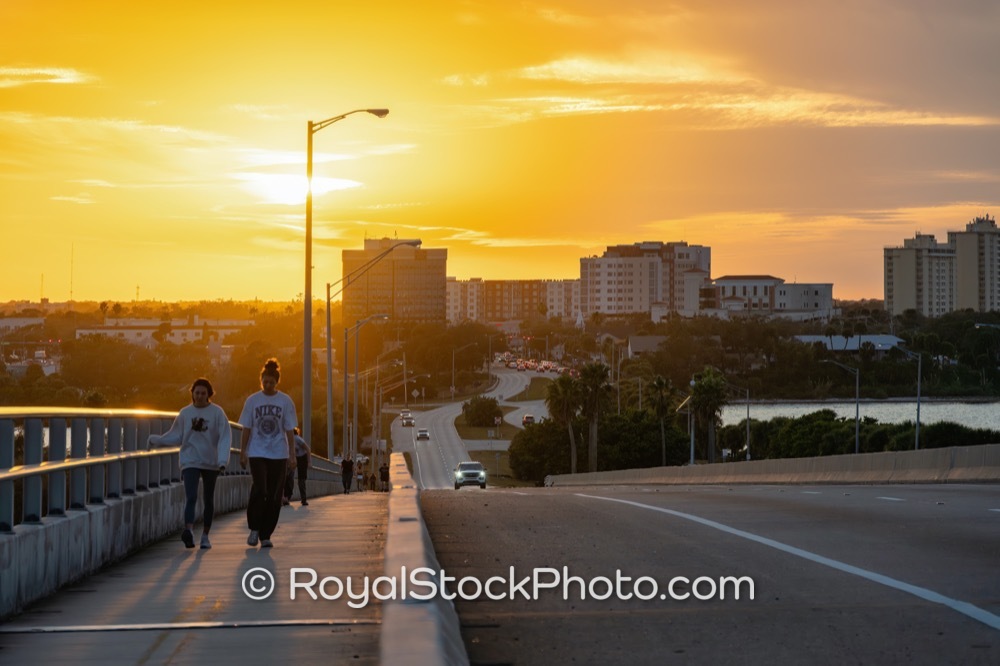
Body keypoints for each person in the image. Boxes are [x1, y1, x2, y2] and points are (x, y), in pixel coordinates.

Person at [148, 377, 231, 550]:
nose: (200, 396)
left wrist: (222, 460)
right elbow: (176, 435)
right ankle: (189, 531)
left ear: (209, 395)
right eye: (197, 393)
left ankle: (206, 536)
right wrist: (157, 440)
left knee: (208, 499)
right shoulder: (185, 413)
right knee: (191, 496)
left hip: (211, 460)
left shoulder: (217, 413)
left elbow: (225, 437)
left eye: (203, 393)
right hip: (190, 459)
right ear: (192, 394)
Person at [239, 358, 297, 548]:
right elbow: (246, 428)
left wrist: (292, 455)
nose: (268, 385)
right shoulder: (252, 400)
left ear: (277, 382)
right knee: (260, 489)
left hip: (278, 453)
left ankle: (266, 535)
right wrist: (243, 452)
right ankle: (254, 528)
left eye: (272, 382)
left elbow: (289, 430)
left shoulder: (285, 401)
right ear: (261, 379)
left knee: (274, 495)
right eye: (266, 381)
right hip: (257, 451)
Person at [283, 427, 311, 506]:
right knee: (288, 477)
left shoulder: (298, 439)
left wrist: (309, 462)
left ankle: (303, 499)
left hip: (302, 458)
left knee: (301, 480)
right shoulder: (286, 439)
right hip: (293, 457)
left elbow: (308, 449)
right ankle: (286, 497)